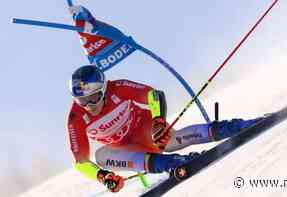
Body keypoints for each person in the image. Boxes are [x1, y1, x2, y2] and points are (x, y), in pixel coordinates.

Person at [67, 65, 262, 193]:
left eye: (93, 97)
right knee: (101, 156)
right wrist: (104, 177)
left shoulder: (117, 88)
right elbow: (80, 161)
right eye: (82, 100)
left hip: (147, 132)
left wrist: (158, 120)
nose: (89, 105)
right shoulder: (76, 118)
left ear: (103, 89)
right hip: (129, 151)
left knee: (168, 141)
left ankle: (234, 127)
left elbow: (153, 95)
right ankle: (172, 163)